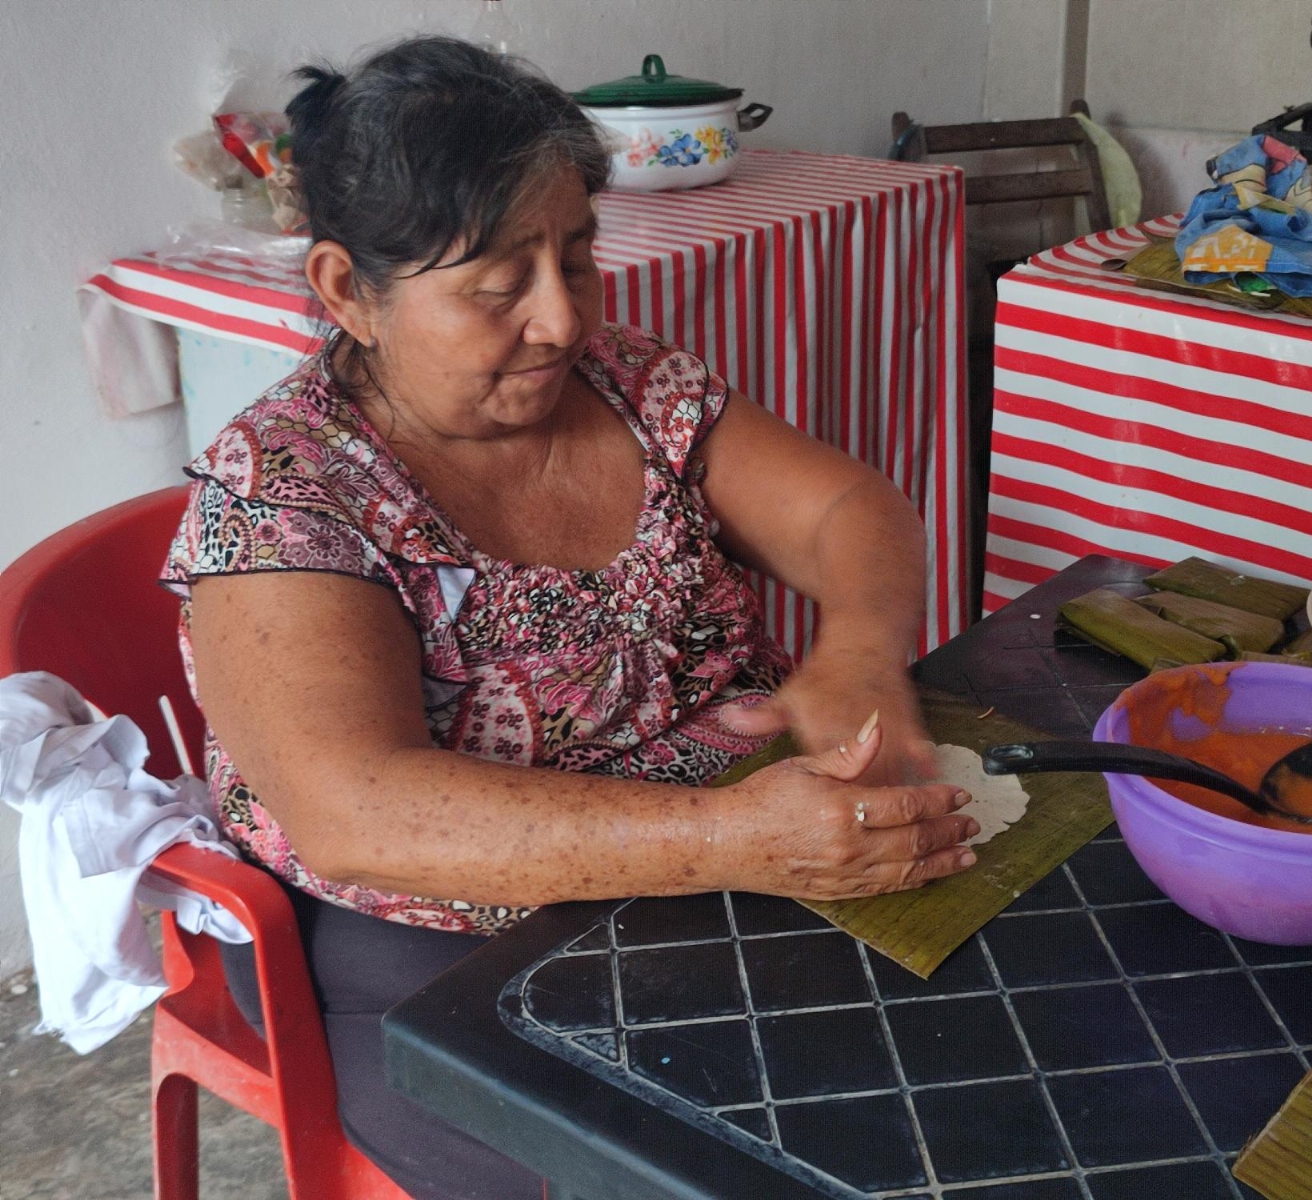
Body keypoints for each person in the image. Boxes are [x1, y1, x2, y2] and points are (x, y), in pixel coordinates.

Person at [160, 36, 976, 1199]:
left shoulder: (633, 387)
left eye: (577, 259)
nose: (559, 321)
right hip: (436, 944)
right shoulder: (285, 497)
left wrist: (855, 645)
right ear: (349, 291)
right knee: (686, 1164)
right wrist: (731, 846)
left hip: (737, 853)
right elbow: (354, 809)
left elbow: (848, 508)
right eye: (498, 284)